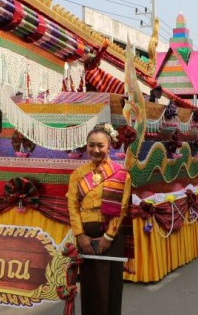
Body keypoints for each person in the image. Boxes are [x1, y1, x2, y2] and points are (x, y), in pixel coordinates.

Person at [67, 125, 132, 315]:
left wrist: (108, 237)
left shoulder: (121, 174)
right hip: (86, 236)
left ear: (109, 146)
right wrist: (80, 235)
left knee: (110, 287)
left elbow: (122, 208)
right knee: (90, 286)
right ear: (86, 146)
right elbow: (73, 206)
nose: (96, 150)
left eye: (100, 146)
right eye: (91, 145)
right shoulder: (77, 175)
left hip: (110, 236)